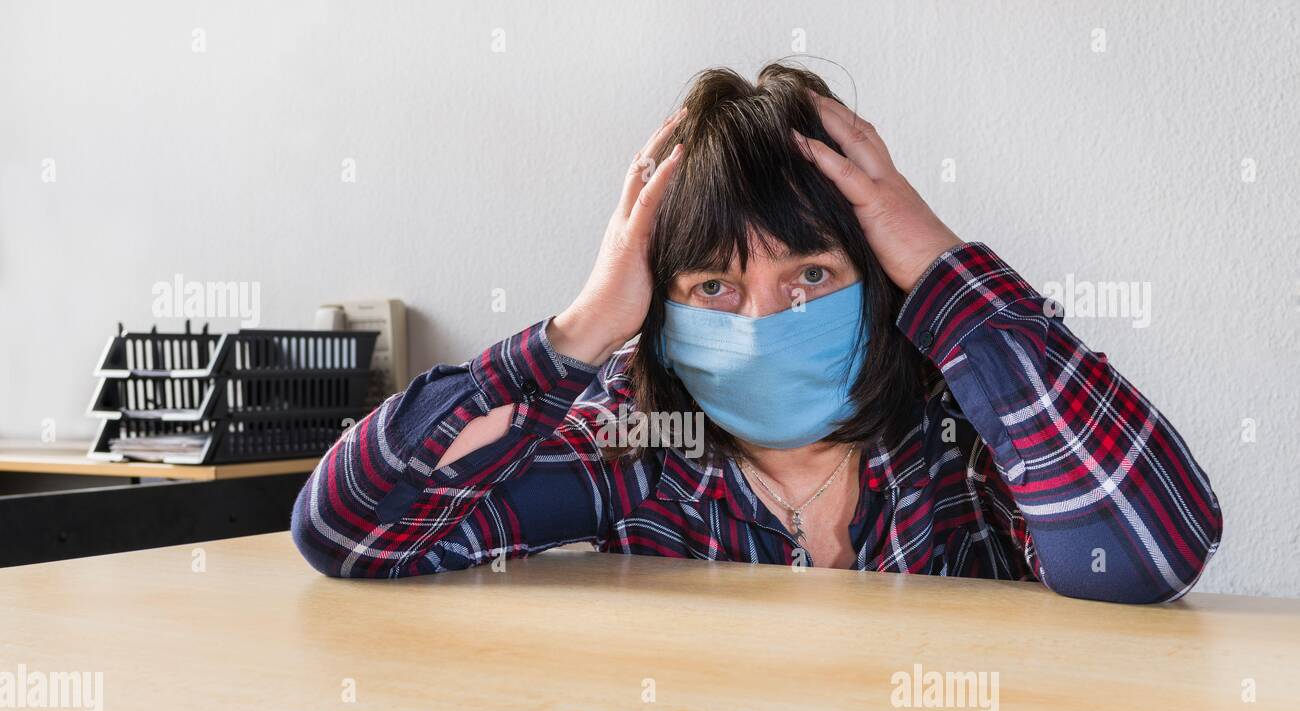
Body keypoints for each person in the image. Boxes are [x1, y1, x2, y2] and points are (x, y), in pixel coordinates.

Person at [292, 64, 1221, 604]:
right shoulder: (643, 442)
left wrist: (941, 262)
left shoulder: (969, 426)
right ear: (662, 307)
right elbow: (351, 533)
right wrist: (571, 338)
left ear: (877, 280)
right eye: (715, 287)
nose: (766, 319)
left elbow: (1149, 553)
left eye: (810, 275)